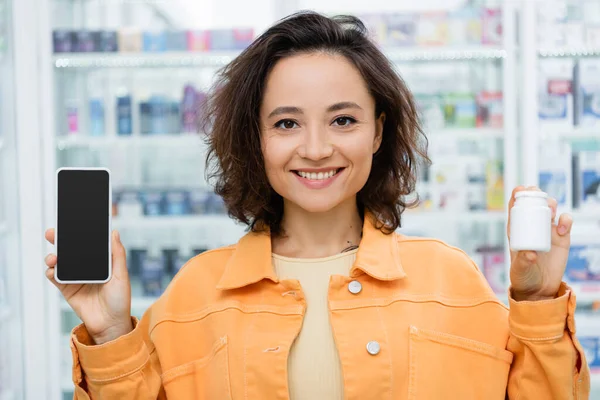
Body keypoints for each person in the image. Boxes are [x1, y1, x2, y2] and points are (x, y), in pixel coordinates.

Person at [44, 11, 590, 400]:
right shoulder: (193, 294)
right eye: (286, 123)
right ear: (256, 139)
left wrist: (538, 300)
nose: (315, 148)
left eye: (343, 119)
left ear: (378, 132)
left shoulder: (453, 280)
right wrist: (113, 333)